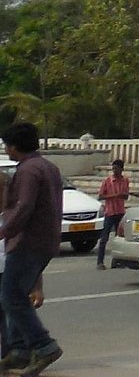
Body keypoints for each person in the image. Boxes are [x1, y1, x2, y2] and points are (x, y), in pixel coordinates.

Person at [0, 122, 62, 375]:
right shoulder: (48, 167)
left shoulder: (27, 171)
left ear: (14, 146)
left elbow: (24, 207)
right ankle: (19, 351)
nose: (6, 150)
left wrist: (5, 231)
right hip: (45, 241)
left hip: (27, 242)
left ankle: (43, 345)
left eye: (7, 145)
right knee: (15, 295)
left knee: (12, 296)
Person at [96, 159, 129, 270]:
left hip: (120, 211)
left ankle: (117, 261)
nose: (115, 171)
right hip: (110, 212)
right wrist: (114, 195)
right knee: (104, 238)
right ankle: (100, 261)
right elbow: (101, 196)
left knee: (118, 238)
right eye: (113, 168)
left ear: (121, 169)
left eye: (117, 169)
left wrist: (122, 195)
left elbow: (126, 196)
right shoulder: (107, 181)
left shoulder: (125, 181)